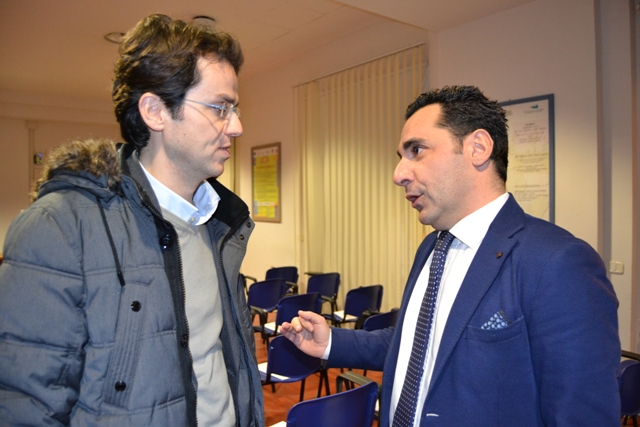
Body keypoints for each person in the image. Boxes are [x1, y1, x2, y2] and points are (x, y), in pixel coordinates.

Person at [281, 85, 620, 426]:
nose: (398, 174)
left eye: (416, 150)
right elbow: (419, 343)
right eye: (400, 156)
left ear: (478, 148)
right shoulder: (433, 247)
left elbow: (581, 415)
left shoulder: (557, 263)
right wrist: (331, 342)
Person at [0, 14, 264, 427]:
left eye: (235, 108)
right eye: (220, 108)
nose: (237, 126)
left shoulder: (219, 223)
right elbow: (26, 407)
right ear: (155, 111)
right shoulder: (59, 227)